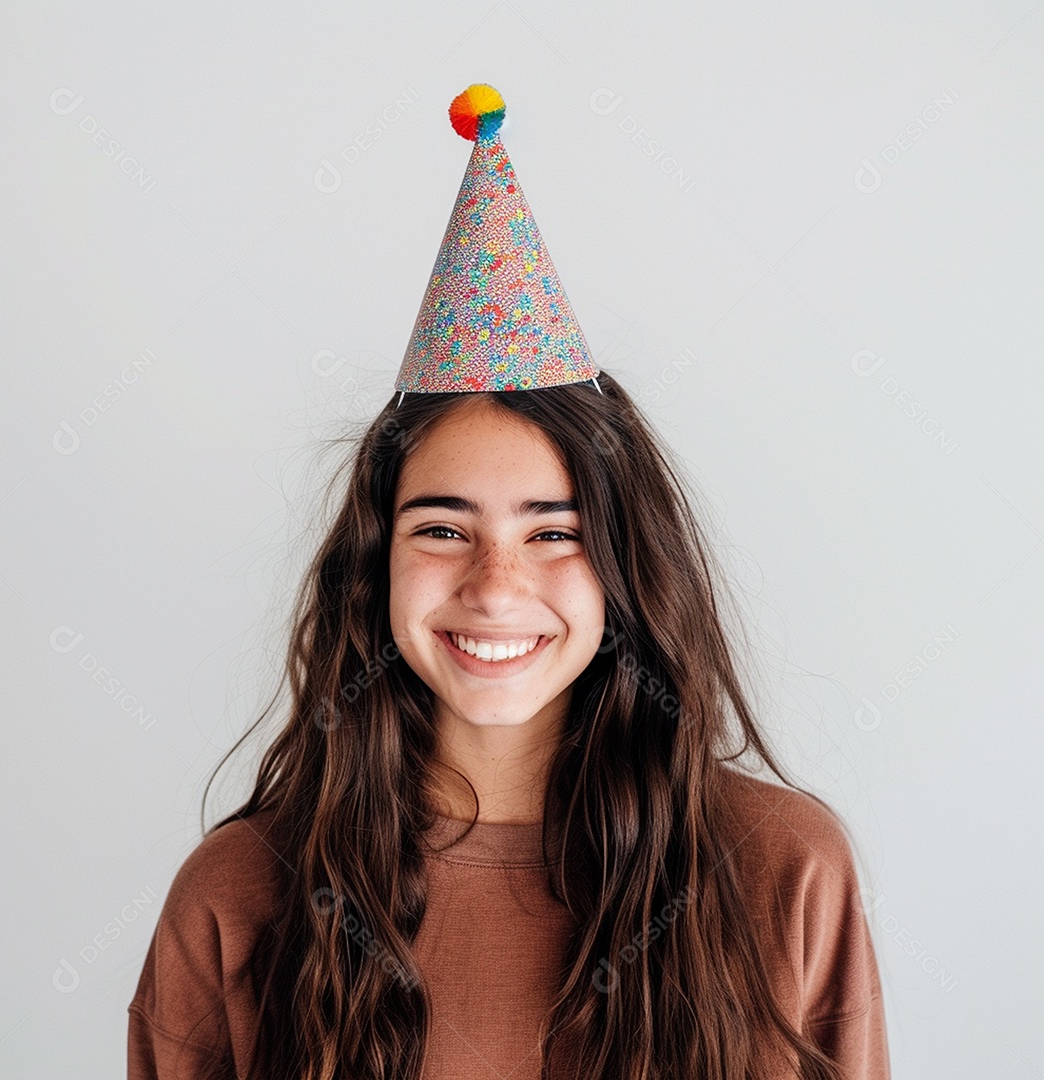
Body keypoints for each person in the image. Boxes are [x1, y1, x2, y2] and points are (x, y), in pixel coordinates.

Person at [128, 85, 890, 1080]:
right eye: (443, 527)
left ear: (626, 566)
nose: (495, 585)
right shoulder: (239, 895)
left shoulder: (783, 870)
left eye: (554, 533)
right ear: (376, 565)